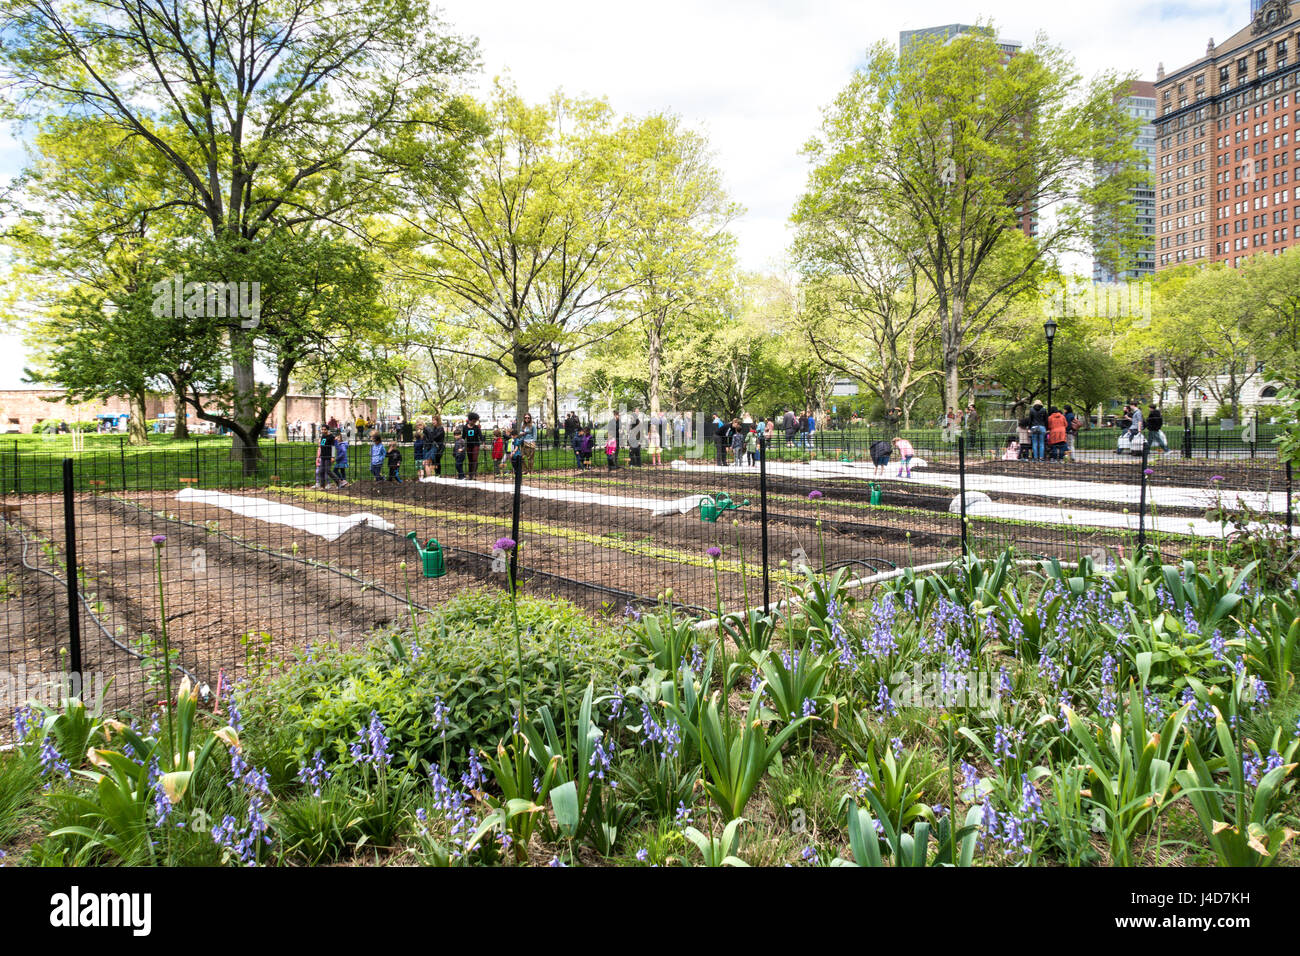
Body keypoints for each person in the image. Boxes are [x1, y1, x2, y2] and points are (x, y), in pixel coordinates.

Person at [465, 412, 483, 478]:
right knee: (470, 460)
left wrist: (483, 442)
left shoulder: (476, 427)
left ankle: (474, 473)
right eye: (474, 421)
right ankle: (470, 474)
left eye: (476, 421)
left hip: (476, 444)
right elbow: (463, 436)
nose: (475, 422)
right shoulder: (465, 427)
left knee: (474, 459)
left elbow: (480, 436)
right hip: (469, 445)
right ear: (470, 420)